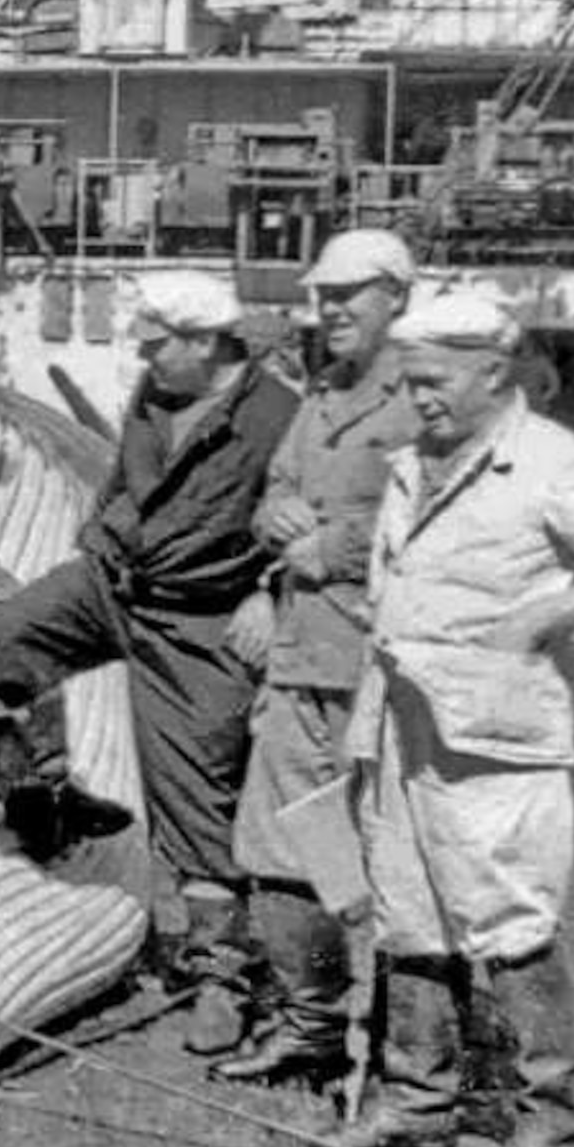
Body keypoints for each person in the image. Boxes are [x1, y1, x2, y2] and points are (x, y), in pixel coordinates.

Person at [344, 290, 574, 1147]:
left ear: (493, 372)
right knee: (409, 912)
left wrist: (543, 617)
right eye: (408, 383)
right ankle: (419, 1101)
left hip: (496, 736)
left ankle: (549, 1128)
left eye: (434, 382)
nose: (417, 400)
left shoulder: (549, 465)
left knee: (510, 921)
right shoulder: (419, 460)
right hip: (405, 720)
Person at [0, 270, 298, 1050]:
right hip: (112, 582)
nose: (147, 358)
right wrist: (100, 533)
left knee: (198, 791)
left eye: (160, 344)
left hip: (197, 618)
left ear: (207, 344)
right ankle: (32, 792)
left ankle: (219, 972)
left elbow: (319, 514)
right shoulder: (158, 388)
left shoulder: (279, 417)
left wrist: (270, 592)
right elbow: (124, 480)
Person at [210, 229, 422, 1089]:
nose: (331, 310)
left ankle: (406, 1063)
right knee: (275, 849)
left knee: (387, 869)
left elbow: (443, 517)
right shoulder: (322, 395)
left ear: (397, 298)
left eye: (350, 296)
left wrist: (329, 545)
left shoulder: (424, 398)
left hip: (381, 670)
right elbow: (277, 493)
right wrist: (276, 536)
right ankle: (312, 1024)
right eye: (324, 297)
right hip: (301, 658)